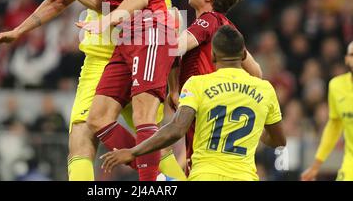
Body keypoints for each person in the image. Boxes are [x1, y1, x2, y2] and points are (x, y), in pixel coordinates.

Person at [0, 0, 183, 182]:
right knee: (136, 136)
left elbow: (165, 35)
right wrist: (19, 30)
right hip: (106, 60)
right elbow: (60, 0)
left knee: (118, 133)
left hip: (126, 54)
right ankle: (164, 180)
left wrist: (174, 87)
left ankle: (156, 181)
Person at [47, 0, 177, 181]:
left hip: (148, 34)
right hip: (124, 42)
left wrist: (106, 22)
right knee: (97, 120)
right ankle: (157, 177)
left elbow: (142, 0)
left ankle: (153, 183)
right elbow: (100, 0)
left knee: (143, 120)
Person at [101, 25, 286, 181]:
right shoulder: (265, 89)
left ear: (213, 55)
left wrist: (133, 152)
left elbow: (176, 129)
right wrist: (257, 132)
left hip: (205, 175)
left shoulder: (198, 84)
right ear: (244, 53)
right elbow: (279, 141)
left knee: (159, 181)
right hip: (245, 176)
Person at [171, 0, 262, 174]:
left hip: (200, 107)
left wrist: (172, 28)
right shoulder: (228, 28)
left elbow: (174, 48)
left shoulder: (208, 21)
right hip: (220, 114)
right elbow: (256, 72)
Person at [301, 41, 353, 181]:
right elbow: (334, 126)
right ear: (347, 59)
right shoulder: (336, 86)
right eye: (352, 55)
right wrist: (316, 166)